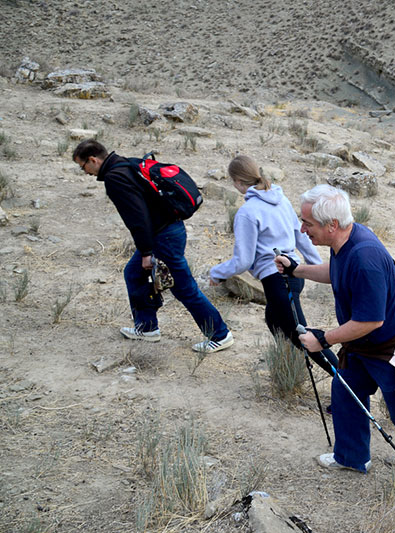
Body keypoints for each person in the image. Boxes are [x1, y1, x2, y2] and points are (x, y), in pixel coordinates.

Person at [281, 184, 395, 485]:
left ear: (331, 225)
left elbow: (371, 321)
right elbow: (336, 271)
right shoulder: (345, 241)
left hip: (391, 345)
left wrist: (324, 339)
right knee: (346, 393)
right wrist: (296, 270)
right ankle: (352, 457)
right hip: (363, 343)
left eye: (308, 223)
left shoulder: (365, 258)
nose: (302, 229)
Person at [71, 139, 232, 352]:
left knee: (184, 288)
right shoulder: (125, 163)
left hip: (162, 237)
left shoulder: (114, 177)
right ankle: (146, 328)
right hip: (168, 231)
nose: (86, 173)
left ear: (93, 159)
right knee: (133, 273)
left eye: (83, 167)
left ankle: (220, 334)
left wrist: (146, 252)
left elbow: (137, 217)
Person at [207, 155, 336, 373]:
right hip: (291, 275)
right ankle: (289, 367)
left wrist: (217, 273)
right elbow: (300, 236)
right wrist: (315, 265)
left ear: (238, 182)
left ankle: (348, 386)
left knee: (303, 336)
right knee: (274, 319)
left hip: (278, 279)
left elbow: (243, 261)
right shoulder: (282, 200)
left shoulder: (247, 213)